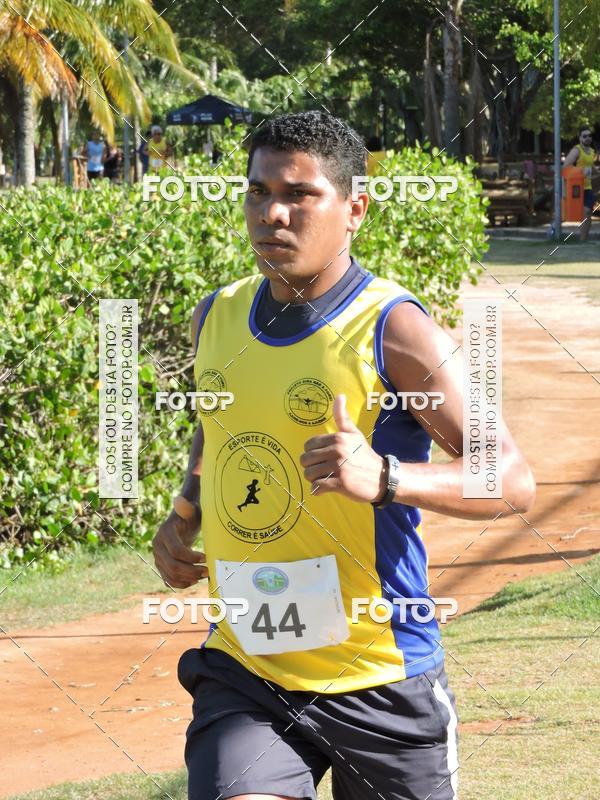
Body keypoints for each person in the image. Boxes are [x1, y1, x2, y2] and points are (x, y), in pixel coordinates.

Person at [153, 110, 536, 800]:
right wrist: (185, 512)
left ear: (354, 207)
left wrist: (386, 476)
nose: (273, 213)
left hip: (379, 675)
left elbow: (512, 479)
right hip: (249, 665)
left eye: (300, 195)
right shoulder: (217, 316)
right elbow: (218, 424)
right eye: (258, 191)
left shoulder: (398, 328)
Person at [564, 125, 597, 241]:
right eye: (584, 136)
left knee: (588, 212)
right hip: (576, 187)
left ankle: (584, 239)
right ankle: (580, 239)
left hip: (588, 186)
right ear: (580, 138)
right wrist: (581, 172)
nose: (587, 138)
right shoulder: (576, 150)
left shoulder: (592, 152)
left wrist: (596, 172)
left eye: (589, 136)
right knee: (582, 213)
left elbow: (591, 167)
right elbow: (566, 167)